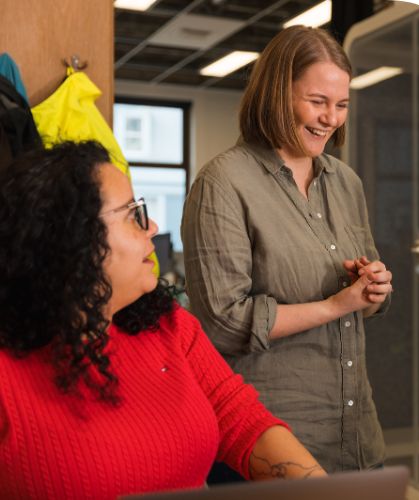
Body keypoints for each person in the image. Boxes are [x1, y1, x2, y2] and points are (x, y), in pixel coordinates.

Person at [0, 141, 326, 499]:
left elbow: (240, 420)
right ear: (72, 237)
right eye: (132, 213)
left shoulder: (168, 326)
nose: (152, 225)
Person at [181, 26, 393, 474]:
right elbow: (222, 323)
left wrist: (371, 289)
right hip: (273, 443)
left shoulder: (344, 182)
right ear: (277, 93)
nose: (330, 119)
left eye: (341, 106)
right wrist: (337, 304)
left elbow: (364, 308)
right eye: (317, 102)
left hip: (356, 436)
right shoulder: (223, 182)